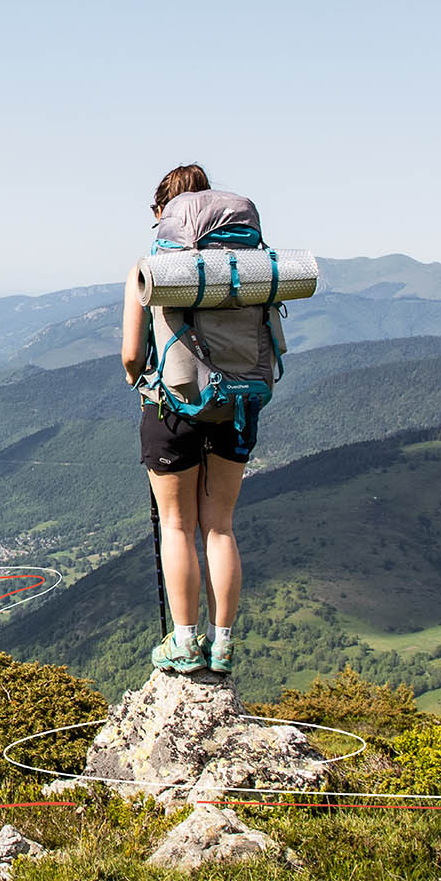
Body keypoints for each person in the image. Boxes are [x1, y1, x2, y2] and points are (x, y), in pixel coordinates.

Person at [119, 163, 260, 677]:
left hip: (171, 407)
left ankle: (184, 641)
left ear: (165, 212)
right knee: (219, 527)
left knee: (176, 527)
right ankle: (222, 646)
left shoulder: (150, 266)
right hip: (237, 404)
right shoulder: (245, 267)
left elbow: (132, 355)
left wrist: (140, 379)